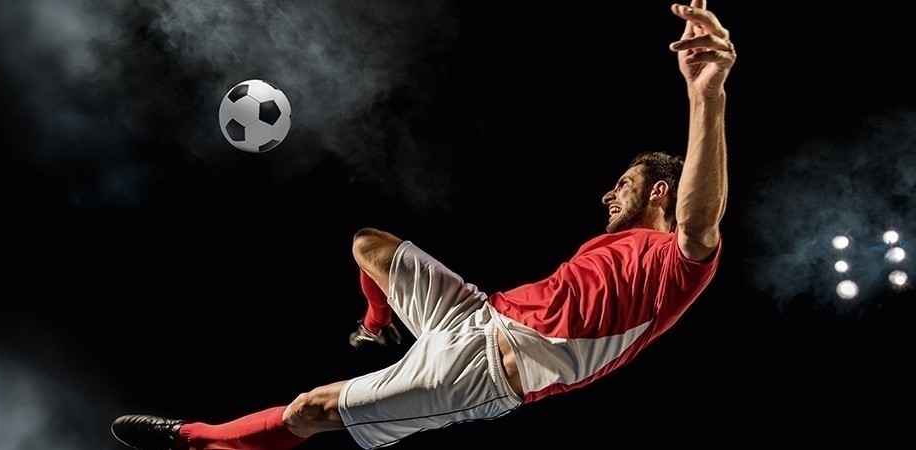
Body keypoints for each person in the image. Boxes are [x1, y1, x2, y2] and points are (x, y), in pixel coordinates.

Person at [111, 1, 736, 449]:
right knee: (367, 245)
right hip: (478, 313)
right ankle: (376, 327)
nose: (608, 192)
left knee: (311, 409)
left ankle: (194, 438)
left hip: (485, 373)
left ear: (660, 190)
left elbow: (699, 220)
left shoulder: (674, 265)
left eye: (624, 183)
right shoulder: (612, 243)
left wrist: (706, 95)